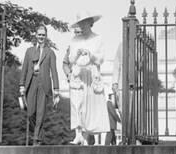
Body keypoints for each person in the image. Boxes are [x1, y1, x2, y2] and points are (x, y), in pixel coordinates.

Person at [63, 12, 110, 145]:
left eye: (84, 23)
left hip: (91, 75)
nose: (82, 26)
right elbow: (70, 59)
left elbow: (100, 59)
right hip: (78, 75)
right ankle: (77, 134)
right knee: (77, 104)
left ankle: (86, 134)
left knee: (89, 106)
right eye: (80, 23)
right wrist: (77, 54)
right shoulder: (74, 40)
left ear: (90, 23)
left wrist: (91, 55)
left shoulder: (98, 38)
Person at [19, 25, 60, 145]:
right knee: (30, 112)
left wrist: (56, 89)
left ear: (46, 36)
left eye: (43, 35)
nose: (41, 37)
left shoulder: (50, 52)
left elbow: (54, 71)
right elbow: (24, 69)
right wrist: (21, 85)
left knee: (41, 112)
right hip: (31, 83)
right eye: (39, 34)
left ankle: (36, 138)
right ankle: (40, 135)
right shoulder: (29, 51)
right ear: (36, 35)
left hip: (44, 84)